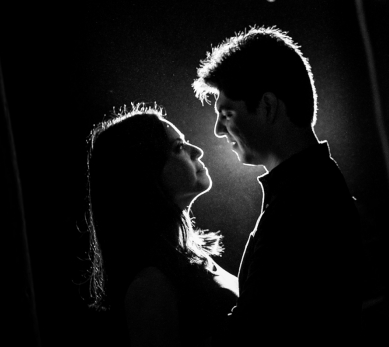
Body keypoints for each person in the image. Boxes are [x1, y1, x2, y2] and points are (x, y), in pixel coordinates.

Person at [192, 26, 364, 345]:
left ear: (268, 106)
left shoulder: (302, 204)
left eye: (227, 113)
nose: (218, 129)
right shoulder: (307, 187)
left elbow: (258, 331)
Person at [85, 103, 238, 347]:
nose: (197, 150)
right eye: (178, 147)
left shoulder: (189, 258)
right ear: (145, 173)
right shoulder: (150, 286)